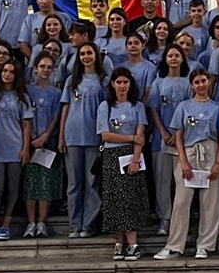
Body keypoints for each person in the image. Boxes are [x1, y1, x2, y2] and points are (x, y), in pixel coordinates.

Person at [156, 69, 219, 260]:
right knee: (181, 201)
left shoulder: (217, 107)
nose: (201, 85)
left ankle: (205, 245)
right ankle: (174, 245)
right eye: (197, 82)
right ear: (192, 85)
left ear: (208, 82)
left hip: (210, 151)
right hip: (188, 151)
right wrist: (183, 161)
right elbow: (178, 136)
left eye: (204, 81)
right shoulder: (183, 107)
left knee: (210, 201)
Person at [98, 67, 150, 261]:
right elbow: (105, 134)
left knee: (130, 200)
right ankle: (119, 243)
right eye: (118, 82)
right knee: (114, 201)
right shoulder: (105, 106)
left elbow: (141, 135)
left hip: (131, 156)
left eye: (125, 82)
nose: (122, 86)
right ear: (113, 84)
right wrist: (131, 137)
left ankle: (133, 244)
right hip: (112, 155)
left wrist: (136, 159)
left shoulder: (137, 106)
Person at [59, 42, 107, 237]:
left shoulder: (103, 80)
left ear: (95, 55)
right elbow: (65, 108)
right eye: (83, 54)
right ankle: (74, 224)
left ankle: (88, 225)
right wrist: (62, 135)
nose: (86, 56)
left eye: (89, 53)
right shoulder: (72, 80)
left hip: (94, 138)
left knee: (92, 182)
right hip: (72, 136)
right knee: (74, 184)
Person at [0, 60, 33, 241]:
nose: (7, 74)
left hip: (15, 146)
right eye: (4, 70)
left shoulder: (22, 97)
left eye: (11, 71)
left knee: (13, 187)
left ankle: (6, 225)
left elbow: (26, 125)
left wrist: (25, 148)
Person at [147, 46, 193, 235]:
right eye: (170, 55)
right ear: (165, 59)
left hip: (185, 138)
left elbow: (191, 108)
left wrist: (178, 133)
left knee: (182, 182)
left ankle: (181, 219)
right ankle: (164, 218)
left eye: (177, 55)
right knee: (162, 180)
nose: (173, 58)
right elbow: (154, 109)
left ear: (182, 59)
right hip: (162, 139)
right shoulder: (159, 83)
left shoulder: (189, 82)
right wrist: (164, 132)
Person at [23, 55, 64, 237]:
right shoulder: (27, 91)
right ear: (36, 69)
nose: (45, 70)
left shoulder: (56, 93)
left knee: (45, 183)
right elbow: (25, 116)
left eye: (49, 67)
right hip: (30, 142)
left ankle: (42, 222)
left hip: (48, 142)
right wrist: (32, 137)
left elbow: (56, 116)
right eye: (42, 66)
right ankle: (31, 222)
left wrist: (45, 136)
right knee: (31, 183)